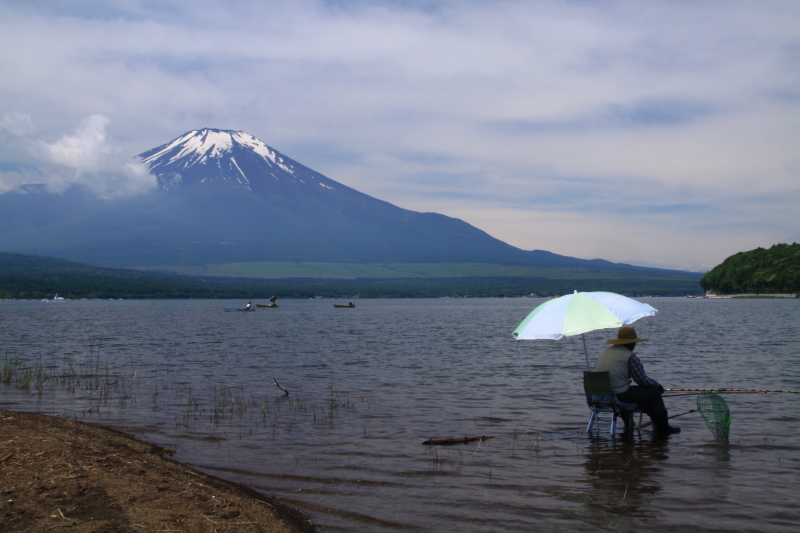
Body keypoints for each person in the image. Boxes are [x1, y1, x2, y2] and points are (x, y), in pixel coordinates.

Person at [596, 326, 680, 439]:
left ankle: (628, 427)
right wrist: (656, 385)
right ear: (630, 343)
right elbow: (642, 380)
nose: (635, 345)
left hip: (603, 395)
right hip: (620, 395)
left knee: (642, 391)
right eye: (634, 343)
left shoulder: (605, 352)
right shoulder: (629, 356)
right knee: (653, 391)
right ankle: (662, 429)